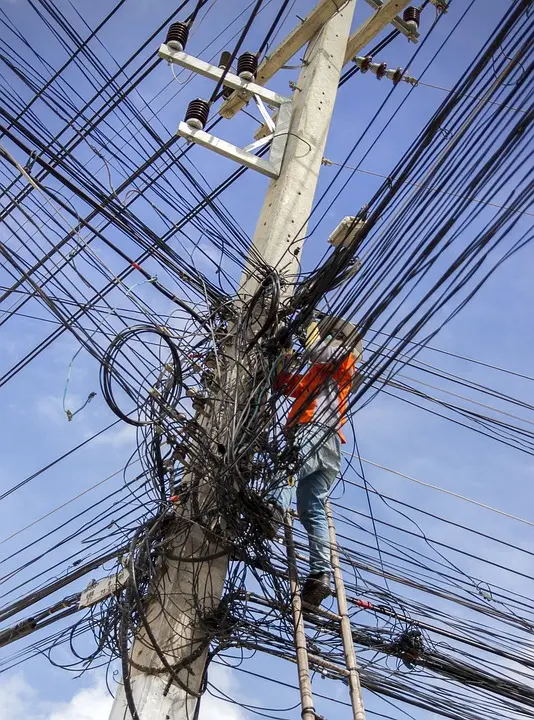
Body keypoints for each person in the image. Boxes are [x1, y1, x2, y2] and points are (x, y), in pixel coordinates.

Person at [265, 317, 359, 606]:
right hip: (328, 449)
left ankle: (274, 510)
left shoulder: (345, 358)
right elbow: (283, 382)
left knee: (289, 466)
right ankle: (321, 575)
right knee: (312, 510)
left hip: (316, 432)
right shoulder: (317, 375)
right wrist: (285, 351)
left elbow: (318, 350)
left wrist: (309, 327)